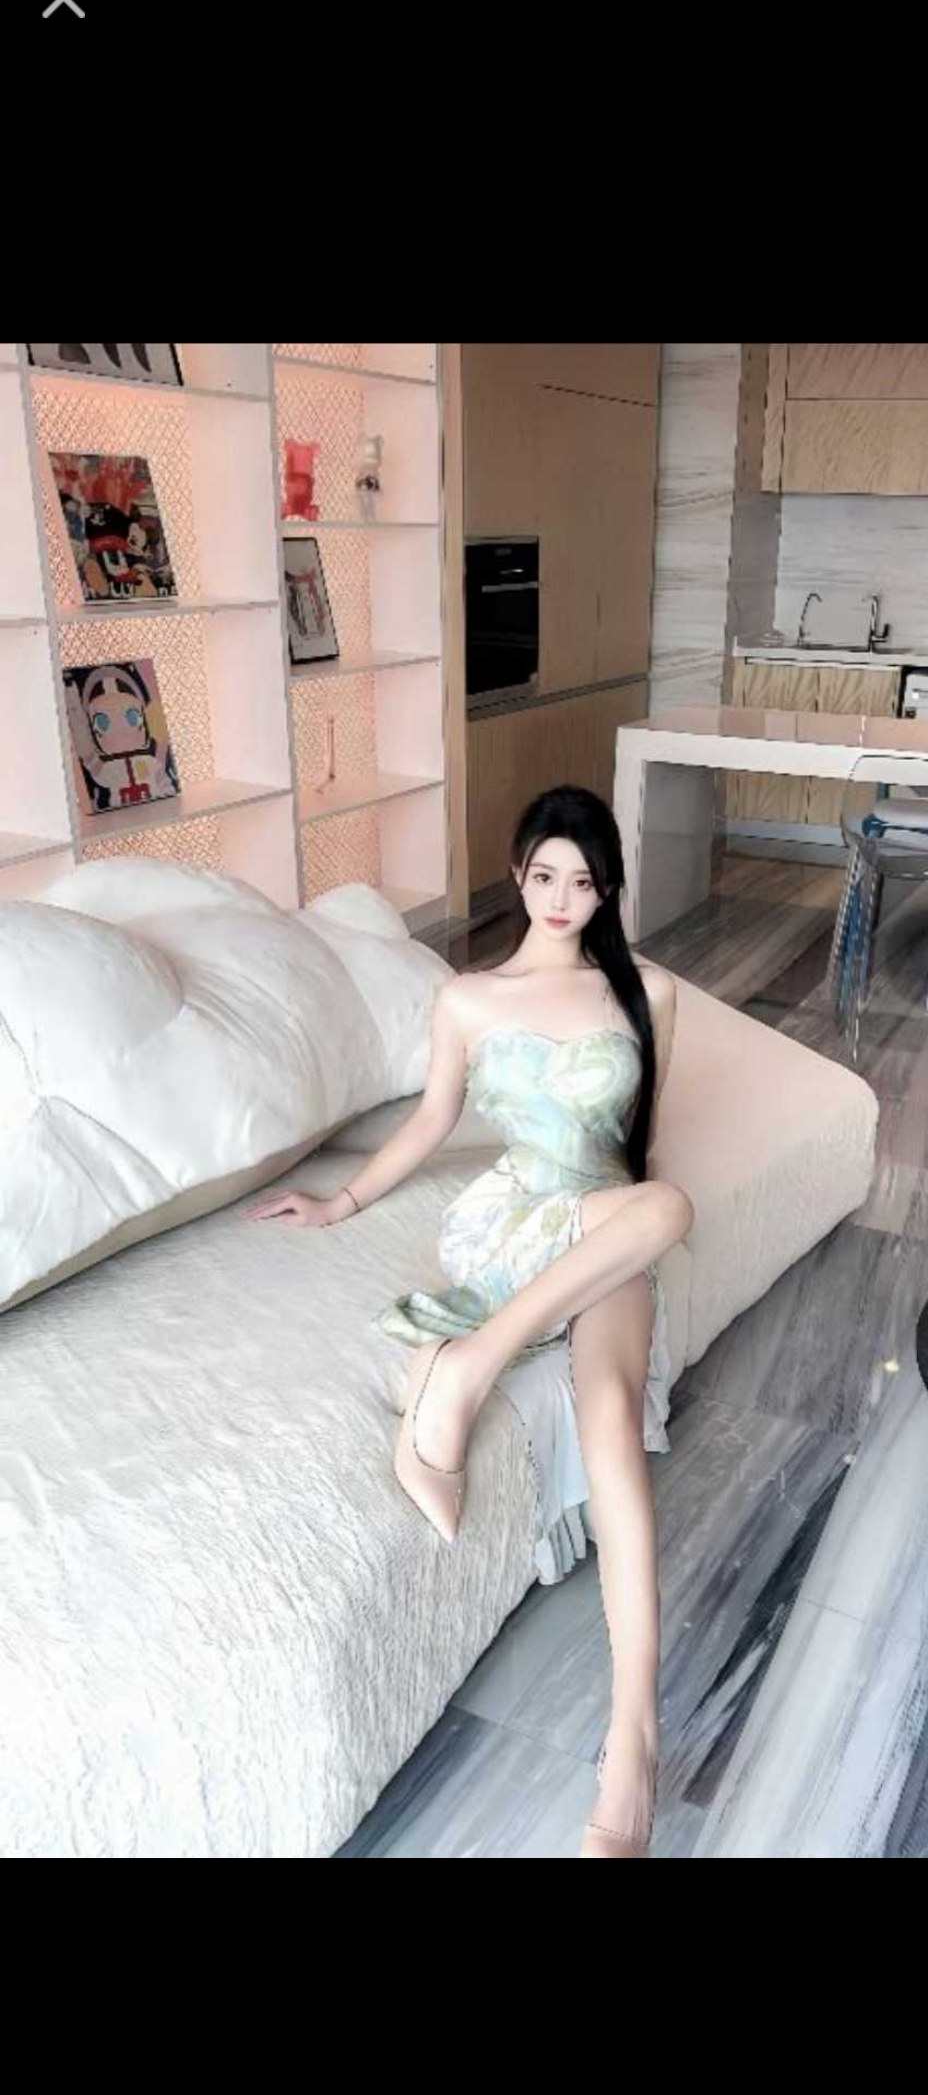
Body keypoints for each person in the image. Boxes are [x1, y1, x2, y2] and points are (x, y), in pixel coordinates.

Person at [245, 785, 694, 1858]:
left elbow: (643, 1147)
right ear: (517, 873)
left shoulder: (649, 994)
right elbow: (429, 1122)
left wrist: (624, 1237)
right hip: (512, 1221)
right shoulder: (468, 1000)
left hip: (603, 1226)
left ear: (607, 891)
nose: (560, 899)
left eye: (582, 883)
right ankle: (477, 1360)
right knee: (669, 1212)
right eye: (543, 876)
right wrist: (341, 1201)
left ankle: (632, 1738)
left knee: (613, 1412)